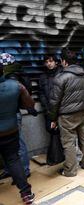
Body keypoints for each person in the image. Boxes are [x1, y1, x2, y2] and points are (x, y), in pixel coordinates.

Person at [49, 49, 84, 177]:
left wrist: (53, 119)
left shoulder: (60, 78)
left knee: (69, 142)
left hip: (66, 116)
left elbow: (54, 102)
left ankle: (70, 170)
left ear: (64, 62)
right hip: (83, 112)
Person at [0, 66, 35, 204]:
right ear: (3, 71)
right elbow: (30, 104)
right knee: (13, 160)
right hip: (10, 130)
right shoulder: (16, 86)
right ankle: (26, 194)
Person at [0, 53, 32, 180]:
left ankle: (24, 170)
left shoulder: (13, 78)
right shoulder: (13, 76)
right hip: (11, 113)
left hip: (13, 113)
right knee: (11, 147)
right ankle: (11, 170)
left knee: (18, 143)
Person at [39, 56, 63, 165]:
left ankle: (65, 155)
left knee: (64, 132)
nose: (49, 64)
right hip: (49, 109)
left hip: (61, 109)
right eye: (46, 62)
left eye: (51, 61)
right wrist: (46, 106)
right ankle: (58, 155)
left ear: (56, 62)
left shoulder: (61, 74)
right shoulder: (43, 77)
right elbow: (41, 93)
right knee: (52, 130)